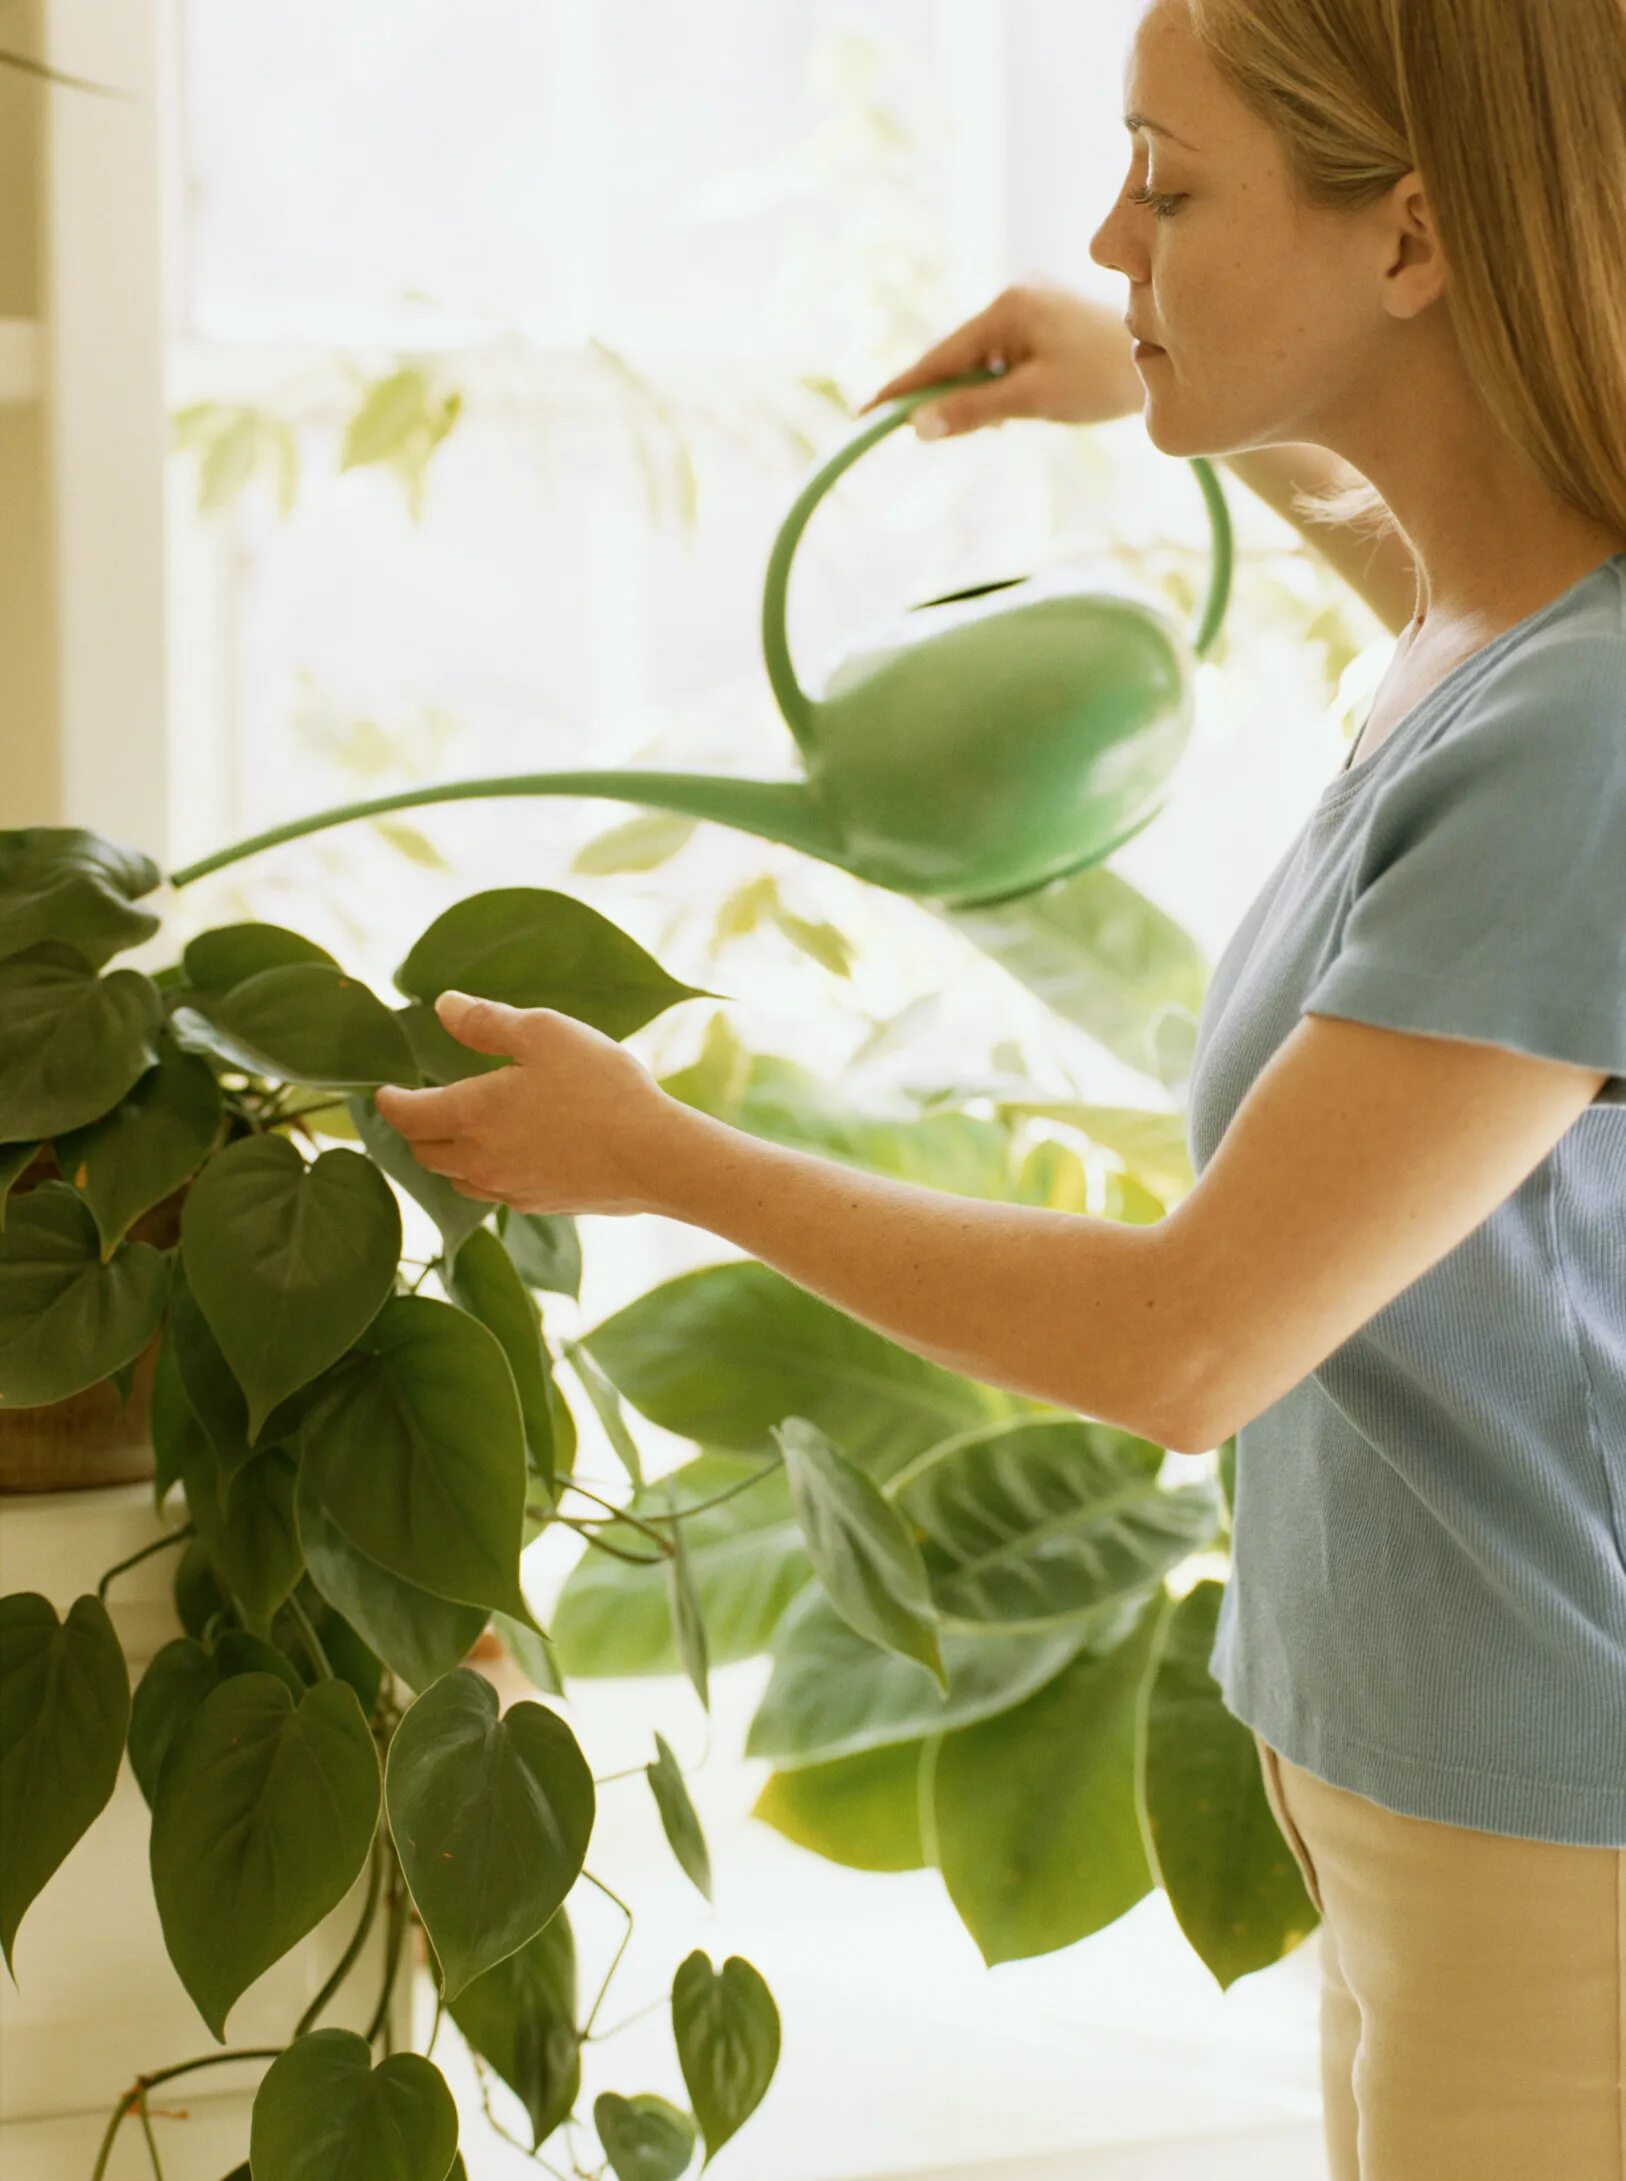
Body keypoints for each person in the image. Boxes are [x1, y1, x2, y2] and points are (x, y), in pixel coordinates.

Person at [377, 4, 1626, 2174]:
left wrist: (659, 1157)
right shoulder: (1493, 643)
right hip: (1415, 1780)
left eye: (1167, 182)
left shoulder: (1584, 736)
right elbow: (1451, 596)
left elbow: (1189, 1337)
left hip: (1563, 1842)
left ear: (1412, 235)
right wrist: (1156, 360)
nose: (1106, 230)